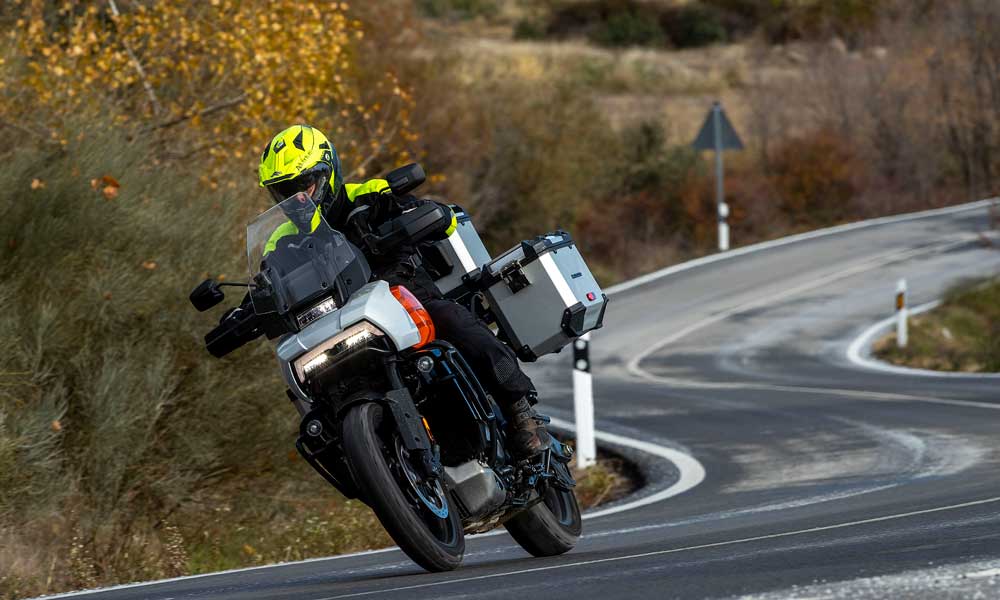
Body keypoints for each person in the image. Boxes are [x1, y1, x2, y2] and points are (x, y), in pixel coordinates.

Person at [253, 124, 550, 457]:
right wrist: (247, 308)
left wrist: (421, 218)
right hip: (338, 319)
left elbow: (442, 218)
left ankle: (520, 408)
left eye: (303, 185)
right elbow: (269, 279)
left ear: (328, 172)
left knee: (452, 321)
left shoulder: (369, 196)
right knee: (315, 400)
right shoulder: (281, 240)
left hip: (404, 293)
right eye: (284, 191)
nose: (297, 199)